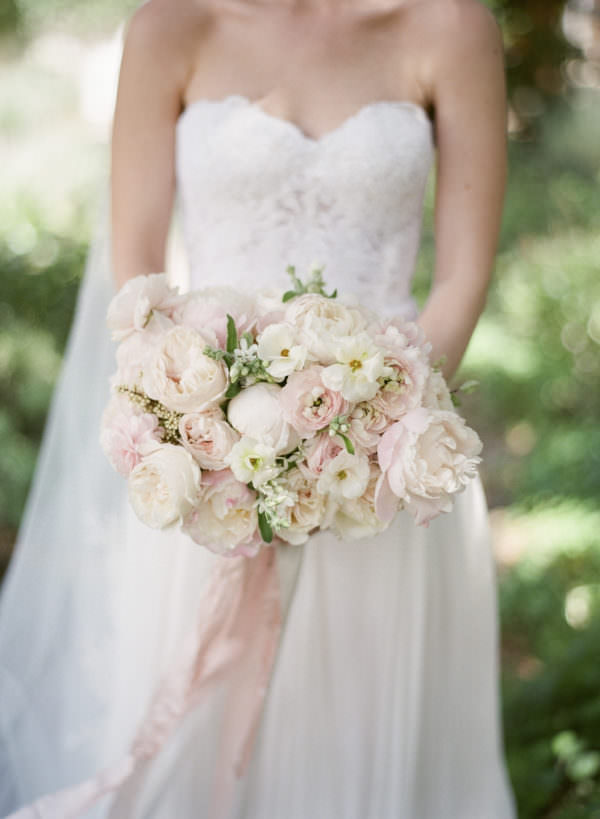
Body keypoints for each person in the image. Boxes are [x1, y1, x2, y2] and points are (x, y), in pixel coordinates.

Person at [0, 0, 517, 816]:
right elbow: (134, 267)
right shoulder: (169, 28)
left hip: (387, 474)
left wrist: (368, 424)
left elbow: (463, 276)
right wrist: (201, 427)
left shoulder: (449, 27)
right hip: (207, 473)